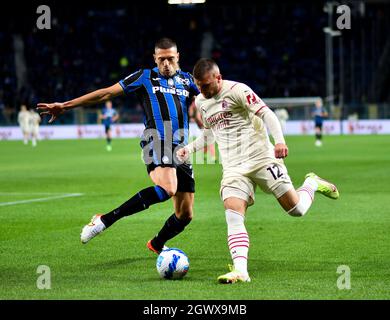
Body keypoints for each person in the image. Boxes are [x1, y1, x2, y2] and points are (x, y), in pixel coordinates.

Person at [177, 58, 339, 284]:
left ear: (218, 78)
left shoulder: (237, 90)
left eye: (206, 85)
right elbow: (209, 133)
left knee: (296, 209)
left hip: (261, 157)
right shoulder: (202, 102)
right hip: (233, 167)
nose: (202, 90)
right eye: (199, 86)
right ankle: (241, 271)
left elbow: (267, 114)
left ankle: (311, 183)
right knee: (232, 213)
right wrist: (189, 149)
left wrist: (280, 141)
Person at [37, 38, 200, 254]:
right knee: (169, 188)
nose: (166, 64)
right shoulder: (145, 77)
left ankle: (157, 244)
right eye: (161, 60)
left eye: (170, 59)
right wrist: (65, 106)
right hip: (157, 139)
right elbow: (106, 93)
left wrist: (202, 113)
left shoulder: (188, 80)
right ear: (155, 59)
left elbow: (208, 100)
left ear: (178, 57)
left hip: (181, 148)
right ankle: (104, 220)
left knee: (185, 214)